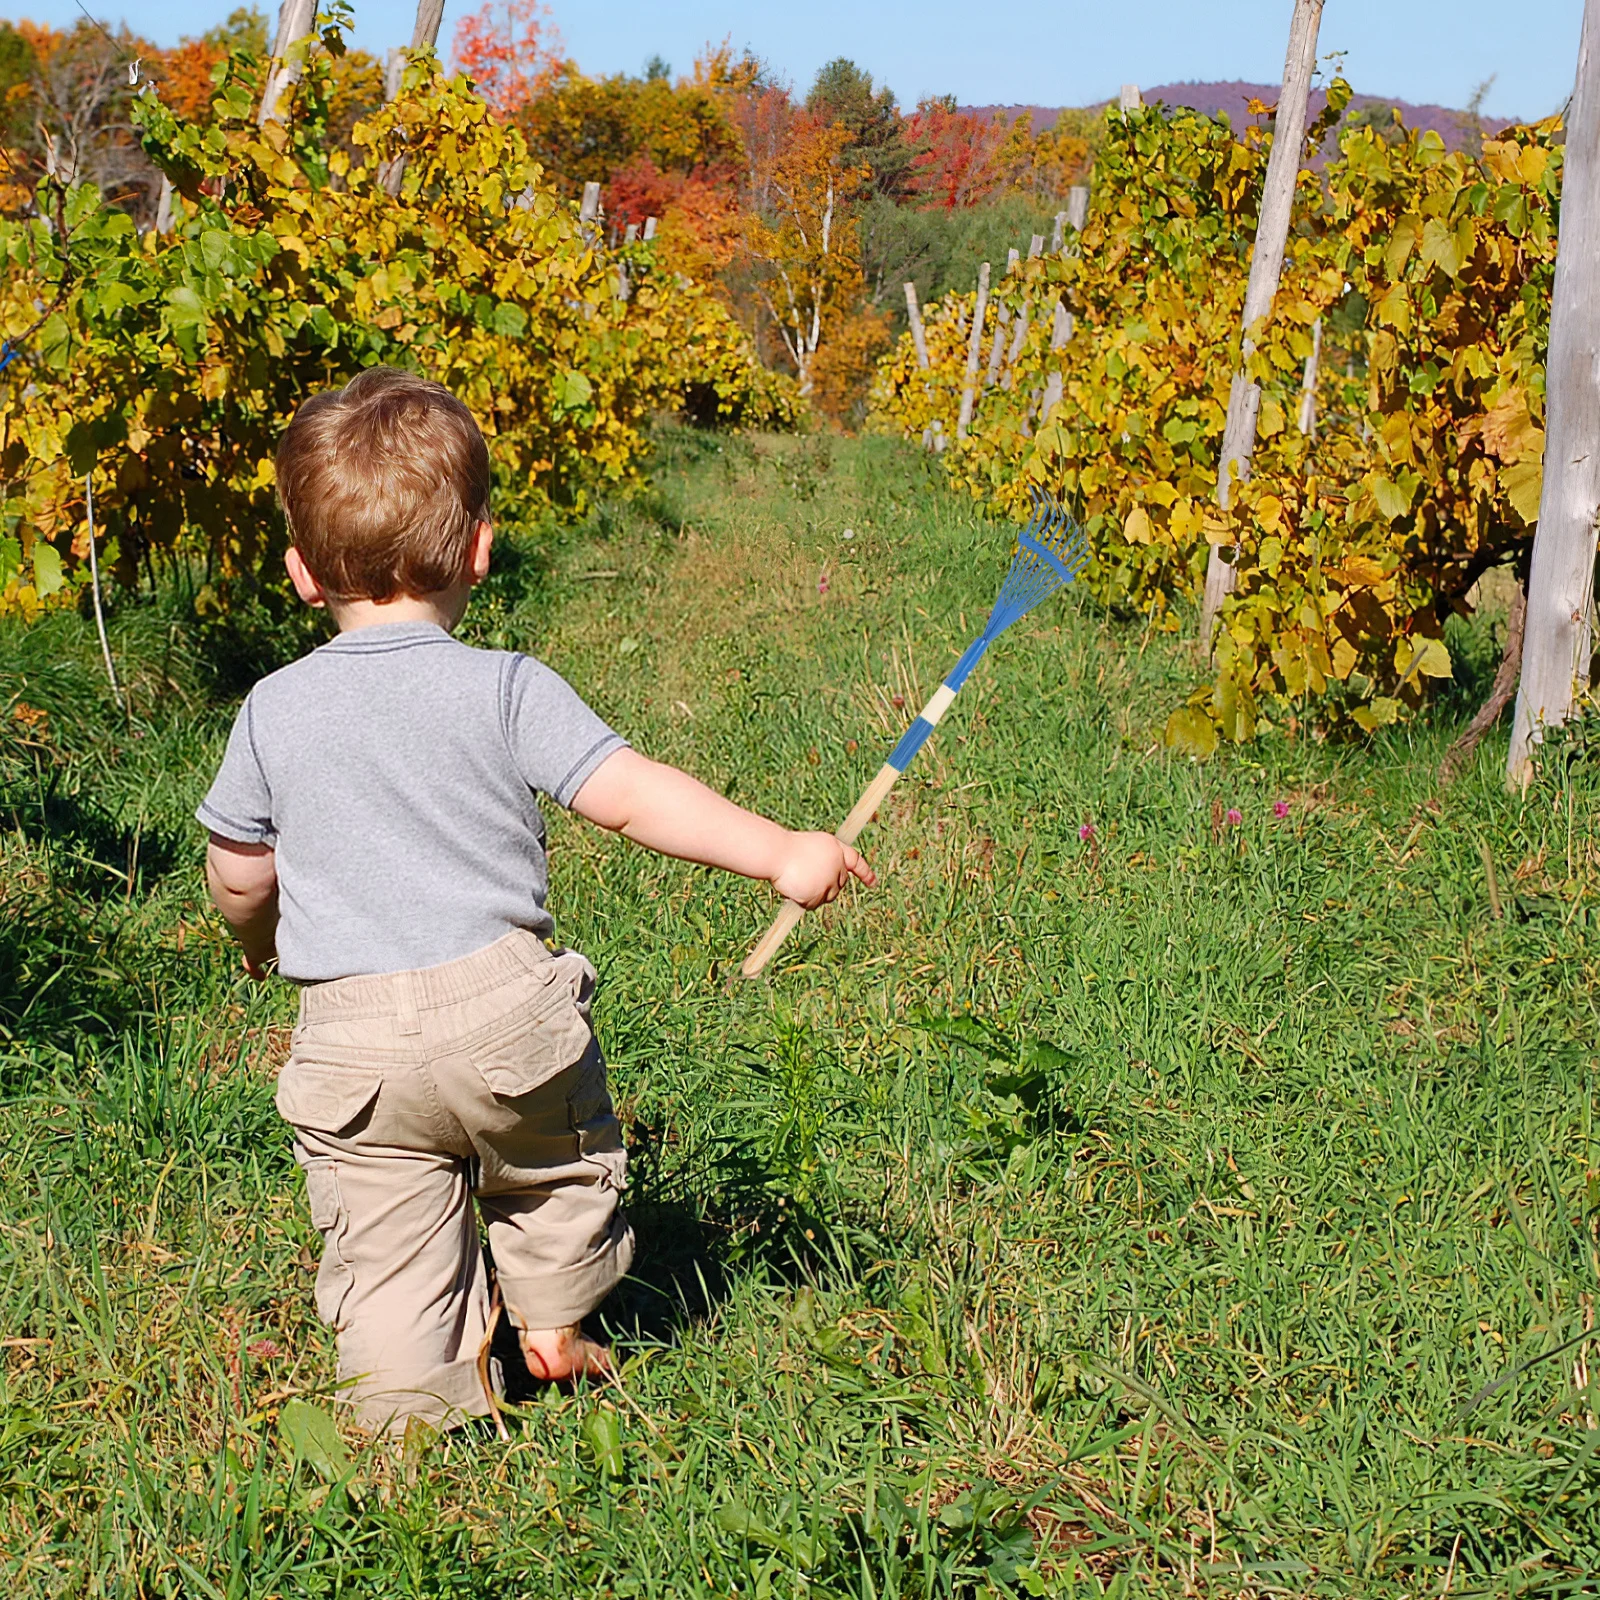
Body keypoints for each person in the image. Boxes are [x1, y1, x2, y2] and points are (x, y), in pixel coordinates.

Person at [198, 366, 873, 1436]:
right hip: (504, 1011)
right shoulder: (506, 685)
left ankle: (403, 1422)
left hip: (350, 1041)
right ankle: (554, 1316)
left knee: (384, 1246)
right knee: (555, 1162)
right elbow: (634, 797)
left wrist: (257, 938)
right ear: (478, 549)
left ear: (297, 572)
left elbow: (240, 869)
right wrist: (780, 851)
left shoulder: (272, 709)